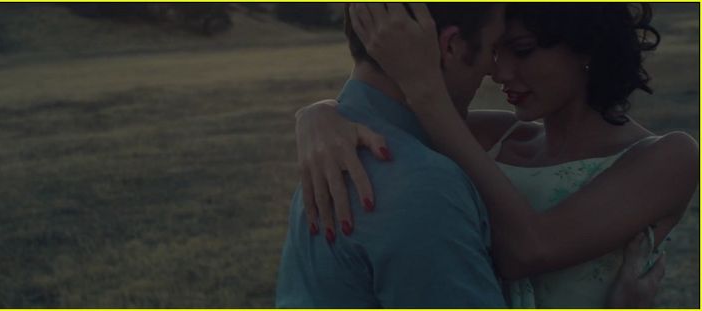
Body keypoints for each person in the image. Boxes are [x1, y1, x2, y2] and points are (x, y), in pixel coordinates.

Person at [291, 3, 697, 308]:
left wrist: (426, 88)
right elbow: (389, 121)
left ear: (586, 47)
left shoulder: (667, 157)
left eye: (521, 51)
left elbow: (530, 249)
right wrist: (319, 116)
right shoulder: (495, 135)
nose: (499, 72)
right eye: (497, 51)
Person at [276, 3, 509, 307]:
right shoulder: (423, 185)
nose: (494, 69)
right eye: (493, 49)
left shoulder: (333, 145)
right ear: (450, 46)